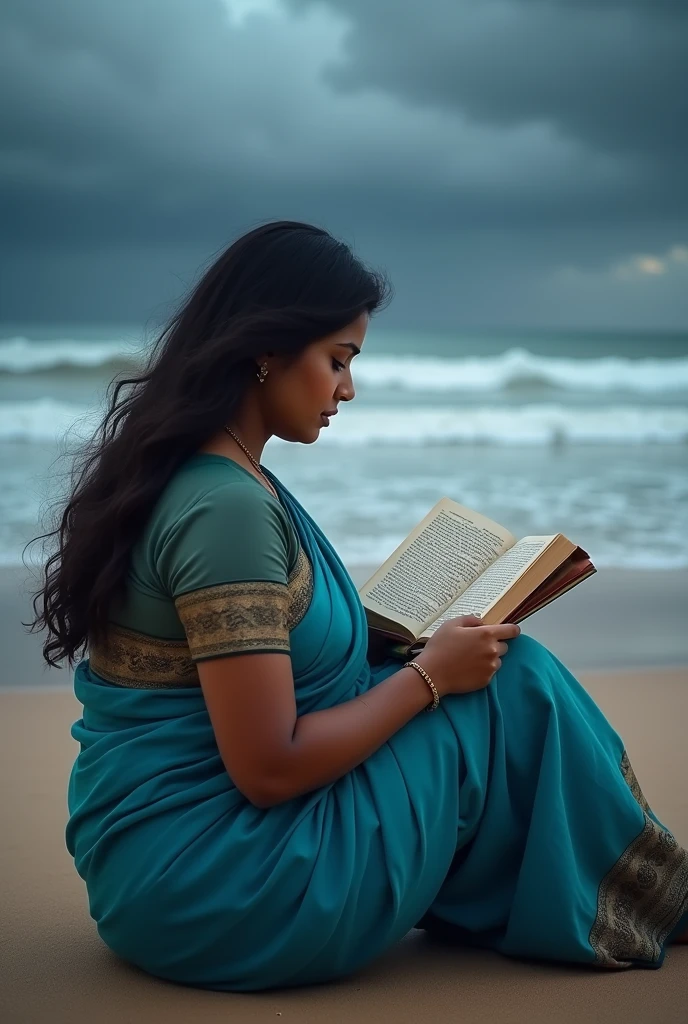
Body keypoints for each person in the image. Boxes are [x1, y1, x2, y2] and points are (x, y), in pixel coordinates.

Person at [31, 221, 687, 992]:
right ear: (266, 349)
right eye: (338, 360)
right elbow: (269, 768)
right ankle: (655, 896)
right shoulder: (225, 508)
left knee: (487, 669)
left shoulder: (204, 475)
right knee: (518, 679)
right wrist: (430, 677)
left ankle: (575, 890)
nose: (348, 388)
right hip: (231, 890)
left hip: (150, 880)